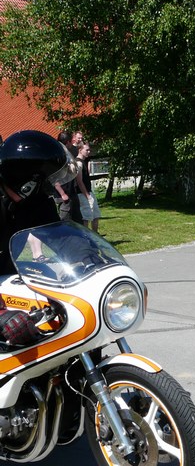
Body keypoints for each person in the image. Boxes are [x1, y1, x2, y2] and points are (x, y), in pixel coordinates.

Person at [0, 130, 78, 347]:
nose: (48, 185)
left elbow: (60, 237)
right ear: (26, 181)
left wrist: (90, 259)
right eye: (44, 179)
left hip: (12, 279)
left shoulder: (36, 200)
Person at [55, 131, 82, 223]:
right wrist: (62, 194)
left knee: (78, 222)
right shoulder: (58, 156)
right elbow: (54, 178)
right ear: (67, 142)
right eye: (71, 141)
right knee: (66, 222)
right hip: (64, 195)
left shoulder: (67, 154)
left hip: (72, 192)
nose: (73, 142)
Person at [75, 141, 101, 233]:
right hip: (82, 194)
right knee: (86, 217)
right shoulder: (78, 163)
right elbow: (79, 181)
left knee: (96, 215)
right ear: (80, 150)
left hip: (89, 191)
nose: (89, 152)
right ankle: (85, 236)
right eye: (87, 150)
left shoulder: (84, 161)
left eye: (89, 150)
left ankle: (95, 235)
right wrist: (87, 196)